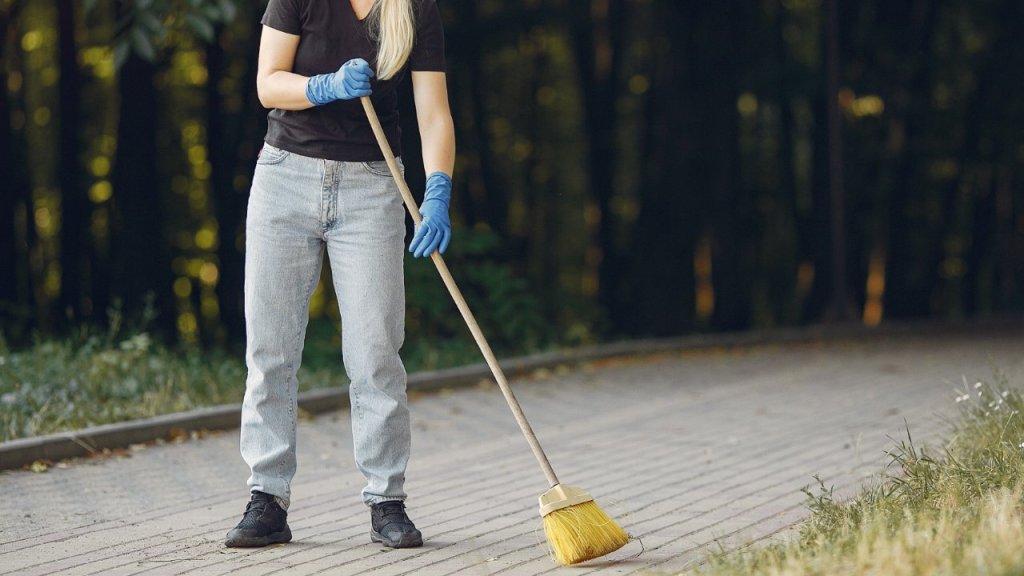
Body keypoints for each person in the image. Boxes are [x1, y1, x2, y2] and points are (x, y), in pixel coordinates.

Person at [224, 0, 454, 549]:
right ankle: (267, 498)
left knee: (376, 350)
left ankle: (387, 500)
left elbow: (434, 112)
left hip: (373, 187)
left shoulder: (415, 8)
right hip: (285, 178)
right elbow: (268, 84)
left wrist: (439, 188)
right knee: (271, 349)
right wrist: (323, 86)